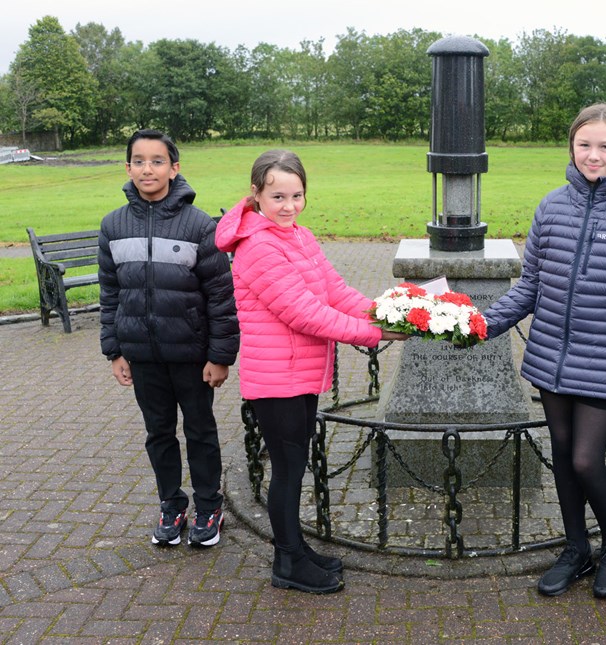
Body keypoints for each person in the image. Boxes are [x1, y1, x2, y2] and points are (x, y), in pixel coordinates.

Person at [483, 104, 606, 599]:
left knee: (588, 460)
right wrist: (482, 323)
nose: (594, 155)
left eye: (605, 146)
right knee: (565, 458)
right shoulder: (552, 206)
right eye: (584, 144)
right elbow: (530, 286)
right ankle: (576, 548)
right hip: (551, 357)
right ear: (571, 147)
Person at [215, 150, 410, 595]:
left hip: (298, 374)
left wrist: (393, 312)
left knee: (294, 465)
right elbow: (305, 314)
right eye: (278, 196)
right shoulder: (258, 246)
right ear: (256, 195)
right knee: (287, 470)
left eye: (297, 195)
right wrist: (375, 334)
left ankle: (297, 551)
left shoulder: (298, 236)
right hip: (277, 379)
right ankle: (287, 563)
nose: (289, 205)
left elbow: (335, 291)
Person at [98, 129, 239, 548]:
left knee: (199, 431)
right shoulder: (113, 226)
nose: (147, 168)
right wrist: (114, 350)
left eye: (157, 161)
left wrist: (221, 355)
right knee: (158, 433)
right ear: (127, 168)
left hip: (192, 357)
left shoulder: (199, 226)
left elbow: (220, 296)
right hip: (142, 356)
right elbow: (110, 294)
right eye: (139, 161)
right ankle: (171, 504)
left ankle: (209, 506)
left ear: (175, 168)